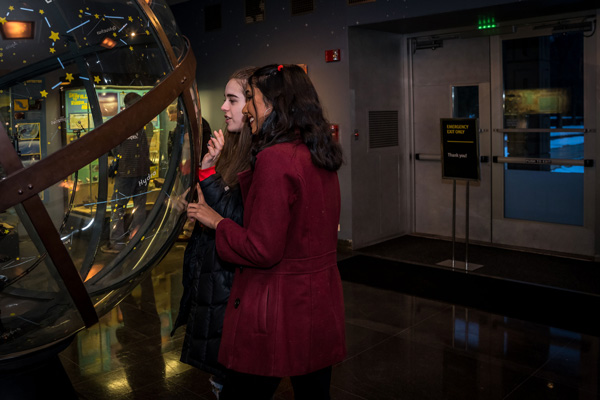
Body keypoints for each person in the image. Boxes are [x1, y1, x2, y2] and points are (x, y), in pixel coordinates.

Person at [186, 64, 346, 399]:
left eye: (250, 99)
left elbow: (262, 249)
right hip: (318, 305)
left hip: (277, 311)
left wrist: (216, 222)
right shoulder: (318, 152)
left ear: (273, 105)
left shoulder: (275, 159)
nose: (245, 109)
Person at [172, 67, 256, 399]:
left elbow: (238, 219)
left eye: (232, 100)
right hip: (214, 277)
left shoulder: (258, 157)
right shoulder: (231, 148)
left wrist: (209, 177)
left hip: (229, 283)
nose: (223, 107)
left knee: (229, 380)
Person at [102, 92, 152, 254]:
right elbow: (147, 145)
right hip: (143, 171)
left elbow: (114, 148)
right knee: (139, 207)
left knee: (118, 208)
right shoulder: (147, 123)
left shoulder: (121, 123)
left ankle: (117, 242)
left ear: (126, 105)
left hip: (125, 172)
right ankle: (136, 239)